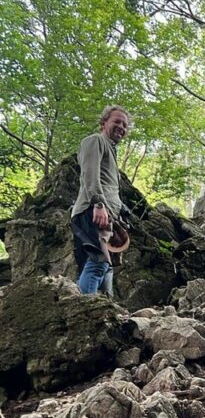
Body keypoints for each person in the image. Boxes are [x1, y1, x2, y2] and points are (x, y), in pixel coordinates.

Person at [71, 105, 130, 295]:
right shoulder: (95, 141)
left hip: (105, 215)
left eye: (125, 125)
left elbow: (108, 184)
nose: (121, 127)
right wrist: (99, 203)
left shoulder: (110, 150)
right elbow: (89, 174)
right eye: (117, 121)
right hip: (92, 211)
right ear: (104, 122)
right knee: (98, 263)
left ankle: (105, 312)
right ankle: (85, 313)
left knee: (106, 268)